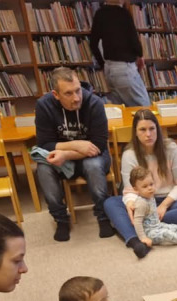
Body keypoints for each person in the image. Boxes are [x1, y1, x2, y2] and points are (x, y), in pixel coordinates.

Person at [104, 109, 177, 259]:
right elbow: (129, 190)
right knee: (110, 203)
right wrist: (131, 204)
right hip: (142, 201)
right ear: (135, 132)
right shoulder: (129, 154)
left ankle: (145, 227)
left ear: (158, 129)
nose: (148, 134)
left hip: (168, 199)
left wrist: (163, 205)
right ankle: (135, 241)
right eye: (142, 130)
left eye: (152, 129)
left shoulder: (171, 148)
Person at [34, 67, 113, 242]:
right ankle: (61, 219)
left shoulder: (94, 103)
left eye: (78, 91)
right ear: (56, 94)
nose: (76, 98)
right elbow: (45, 145)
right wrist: (77, 145)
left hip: (94, 155)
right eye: (68, 94)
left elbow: (98, 145)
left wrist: (66, 154)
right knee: (43, 168)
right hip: (66, 156)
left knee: (92, 165)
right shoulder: (44, 106)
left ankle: (103, 215)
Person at [90, 0, 151, 107]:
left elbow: (93, 44)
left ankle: (98, 104)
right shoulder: (123, 14)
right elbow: (134, 40)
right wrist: (140, 55)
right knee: (144, 108)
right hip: (124, 69)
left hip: (110, 69)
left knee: (120, 107)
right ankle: (95, 104)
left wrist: (103, 65)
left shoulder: (100, 13)